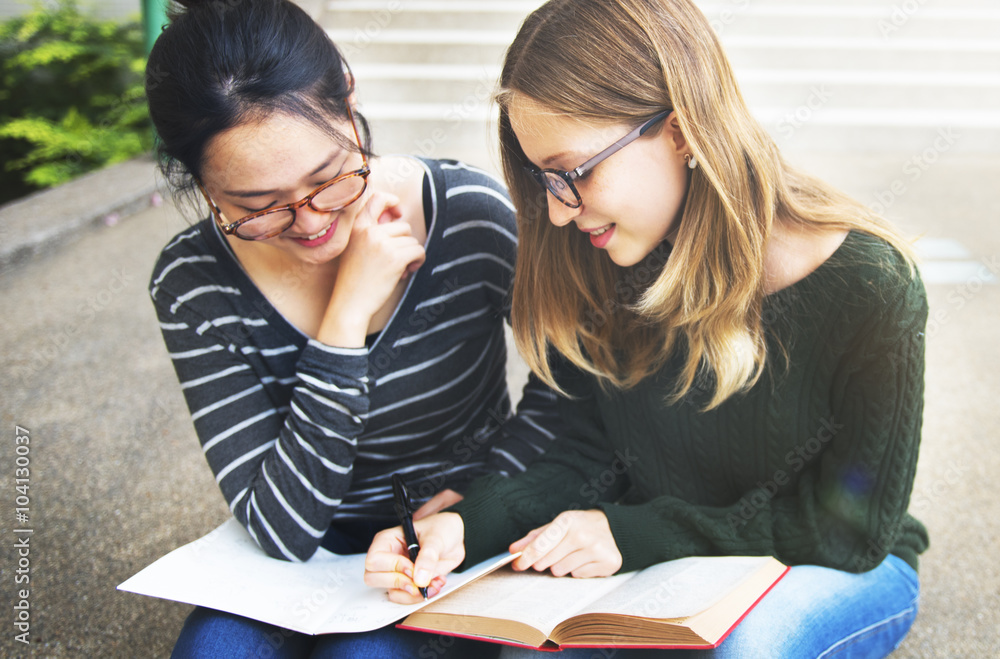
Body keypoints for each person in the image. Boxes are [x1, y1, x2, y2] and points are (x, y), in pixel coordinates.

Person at [364, 0, 929, 656]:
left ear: (682, 130)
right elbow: (581, 453)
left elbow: (848, 531)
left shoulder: (869, 283)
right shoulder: (602, 257)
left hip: (835, 565)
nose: (554, 212)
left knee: (744, 649)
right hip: (667, 568)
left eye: (573, 172)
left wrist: (636, 534)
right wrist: (467, 525)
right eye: (542, 178)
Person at [145, 0, 564, 656]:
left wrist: (484, 496)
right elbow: (281, 530)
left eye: (328, 178)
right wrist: (343, 322)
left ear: (346, 97)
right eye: (257, 209)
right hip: (308, 552)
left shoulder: (469, 218)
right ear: (202, 186)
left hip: (454, 539)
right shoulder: (194, 283)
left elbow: (573, 380)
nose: (312, 224)